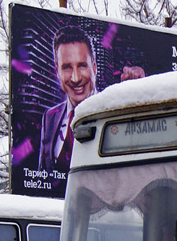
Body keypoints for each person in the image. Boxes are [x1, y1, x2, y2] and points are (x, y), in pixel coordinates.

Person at [37, 24, 144, 179]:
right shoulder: (49, 117)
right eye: (67, 67)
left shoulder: (113, 110)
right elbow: (42, 176)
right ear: (57, 71)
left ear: (94, 68)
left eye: (82, 66)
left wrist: (137, 89)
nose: (76, 78)